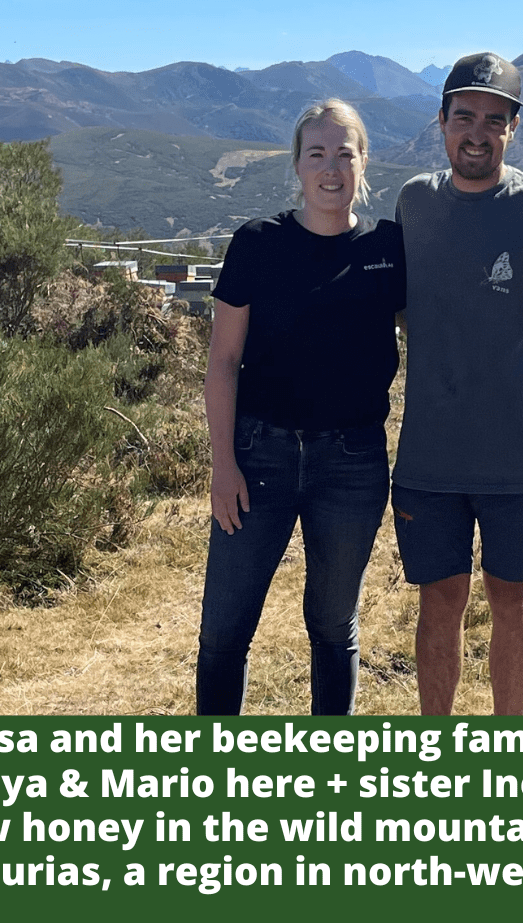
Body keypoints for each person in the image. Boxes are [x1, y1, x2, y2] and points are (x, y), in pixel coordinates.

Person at [392, 52, 523, 716]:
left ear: (514, 128)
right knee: (439, 602)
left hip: (516, 451)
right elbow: (403, 304)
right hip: (428, 455)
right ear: (441, 122)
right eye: (463, 117)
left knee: (512, 601)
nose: (476, 133)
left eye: (493, 119)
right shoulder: (413, 202)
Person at [196, 98, 404, 716]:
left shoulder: (390, 249)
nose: (331, 167)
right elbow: (222, 363)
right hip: (258, 458)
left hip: (353, 464)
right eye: (317, 153)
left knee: (333, 626)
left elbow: (449, 317)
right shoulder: (257, 244)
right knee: (225, 629)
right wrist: (222, 464)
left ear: (364, 163)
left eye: (345, 153)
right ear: (297, 165)